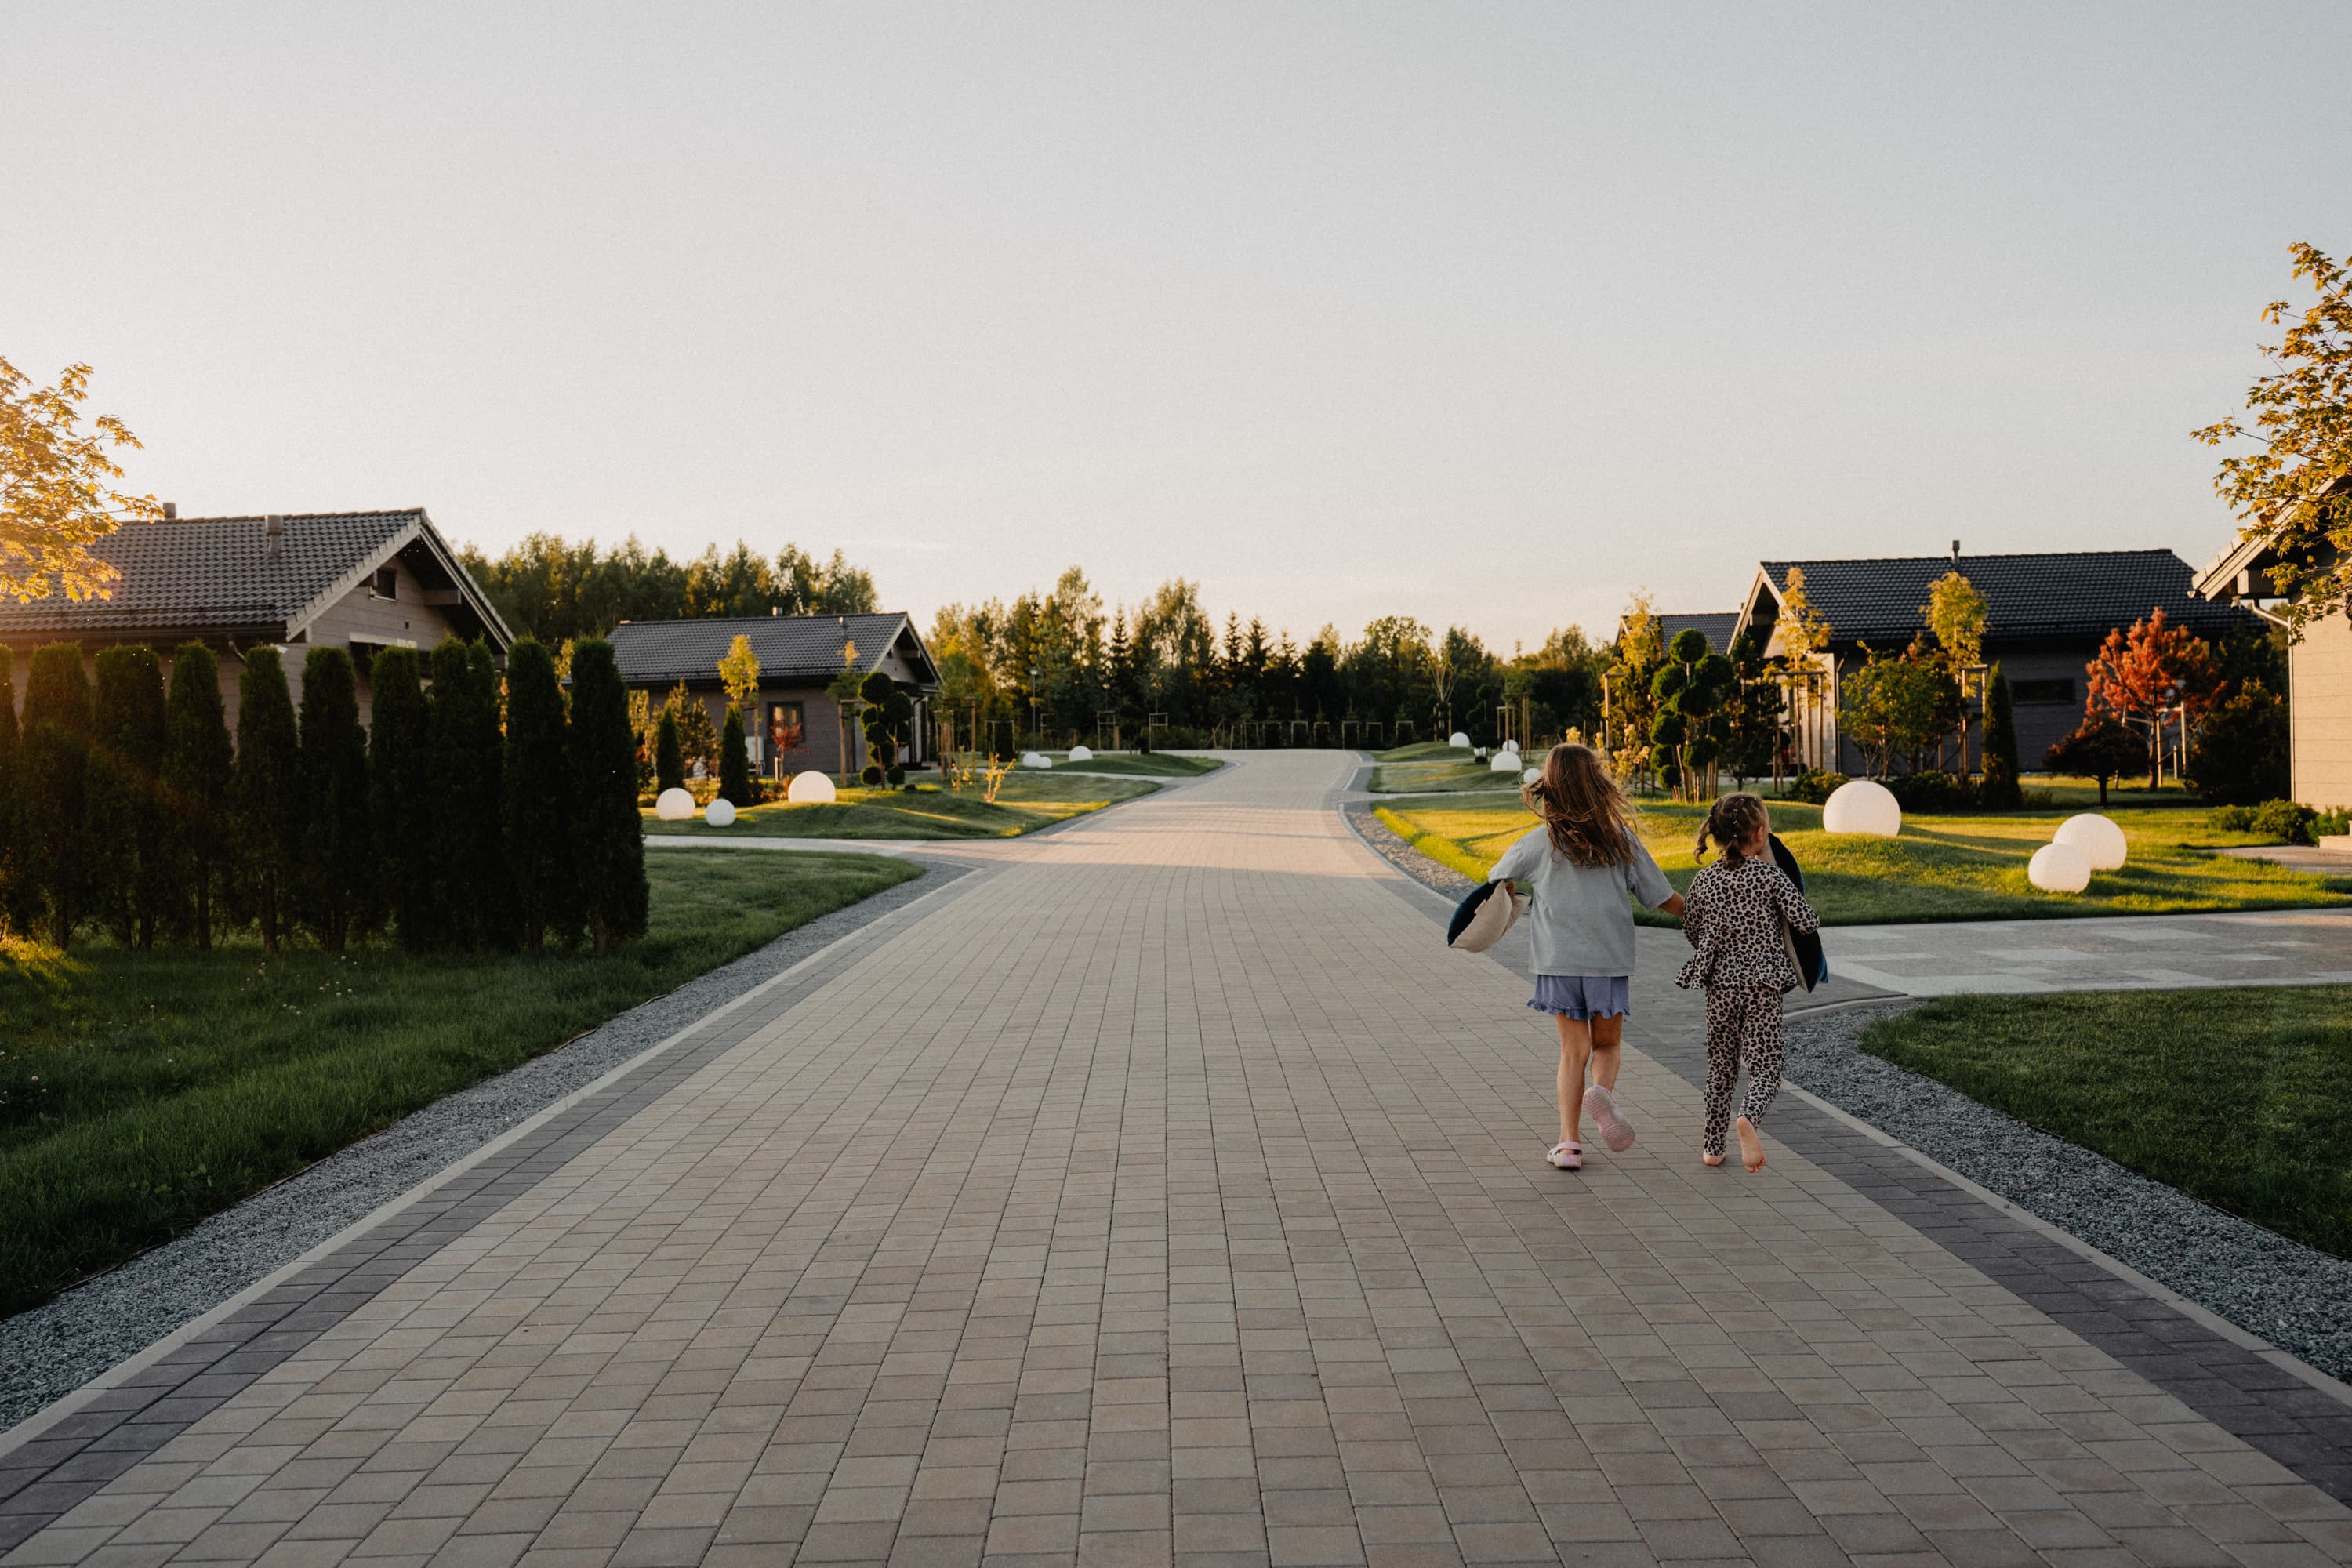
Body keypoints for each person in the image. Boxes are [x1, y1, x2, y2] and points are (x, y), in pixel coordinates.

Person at [1489, 743, 1683, 1171]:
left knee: (1572, 1052)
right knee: (1608, 1045)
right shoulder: (1619, 839)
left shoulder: (1540, 842)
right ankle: (1604, 1095)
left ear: (1551, 788)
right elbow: (1662, 897)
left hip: (1557, 962)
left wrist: (1510, 893)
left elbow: (1497, 876)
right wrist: (1706, 918)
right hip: (1608, 962)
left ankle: (1569, 1144)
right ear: (1597, 784)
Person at [1676, 792, 1821, 1172]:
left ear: (1718, 836)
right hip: (1763, 985)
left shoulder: (1703, 881)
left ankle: (1711, 1146)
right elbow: (1806, 922)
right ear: (1759, 835)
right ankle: (1749, 1118)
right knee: (1766, 1067)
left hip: (1720, 986)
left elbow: (1692, 929)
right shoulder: (1771, 875)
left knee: (1721, 1066)